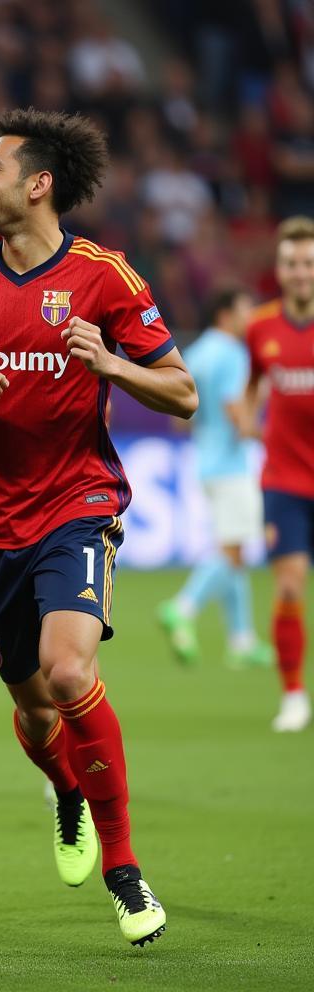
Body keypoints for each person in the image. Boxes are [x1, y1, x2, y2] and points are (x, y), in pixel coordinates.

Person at [0, 108, 197, 948]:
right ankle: (69, 791)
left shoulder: (106, 278)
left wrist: (109, 362)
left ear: (38, 184)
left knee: (71, 674)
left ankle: (123, 868)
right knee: (38, 714)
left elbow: (181, 393)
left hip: (74, 505)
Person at [157, 287, 273, 669]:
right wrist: (269, 430)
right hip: (231, 466)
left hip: (205, 461)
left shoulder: (199, 352)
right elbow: (240, 420)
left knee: (232, 547)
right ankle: (183, 606)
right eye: (245, 307)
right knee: (234, 551)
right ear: (226, 313)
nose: (251, 316)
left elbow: (180, 416)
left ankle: (241, 640)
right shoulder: (231, 355)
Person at [242, 216, 314, 733]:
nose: (299, 273)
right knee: (289, 588)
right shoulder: (260, 328)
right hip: (285, 481)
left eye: (308, 263)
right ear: (280, 270)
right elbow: (250, 390)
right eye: (291, 263)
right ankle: (293, 694)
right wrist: (248, 421)